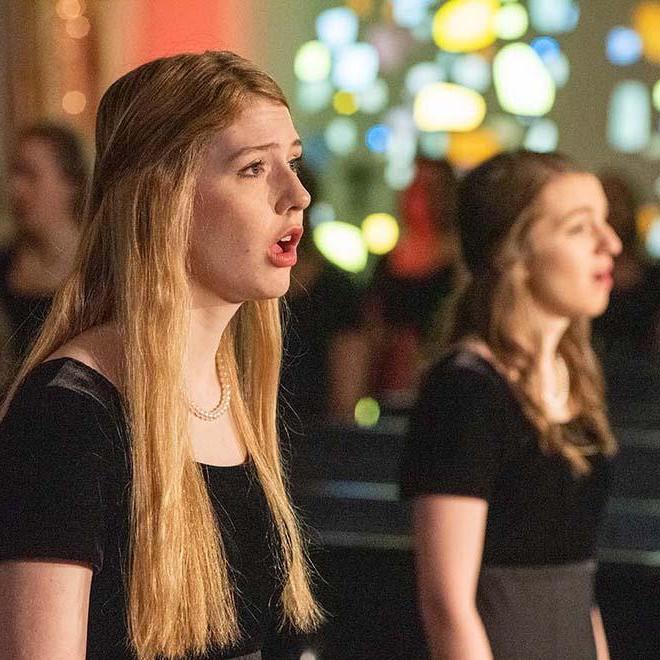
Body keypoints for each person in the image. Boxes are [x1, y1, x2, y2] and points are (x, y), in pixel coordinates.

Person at [0, 51, 321, 660]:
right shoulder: (67, 416)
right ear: (165, 197)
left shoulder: (236, 397)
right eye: (254, 168)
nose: (297, 194)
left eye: (293, 161)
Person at [401, 150, 621, 659]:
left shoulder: (577, 377)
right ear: (514, 253)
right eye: (578, 228)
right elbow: (447, 604)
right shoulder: (466, 390)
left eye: (605, 224)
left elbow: (578, 588)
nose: (610, 243)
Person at [0, 122, 87, 372]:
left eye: (29, 174)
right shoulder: (5, 262)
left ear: (70, 183)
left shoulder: (100, 268)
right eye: (14, 174)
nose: (15, 189)